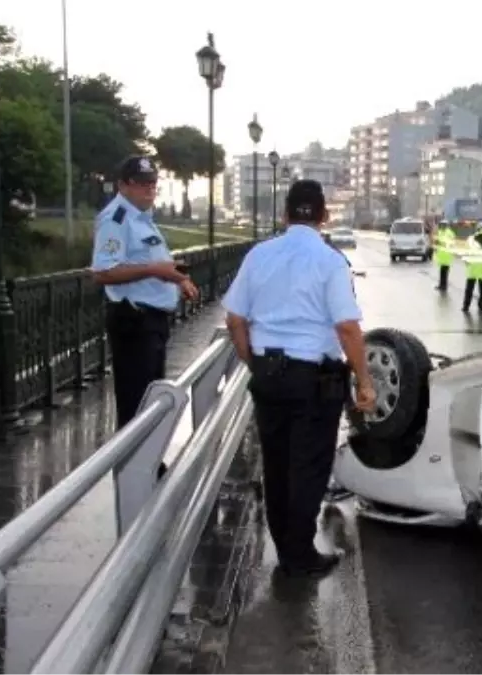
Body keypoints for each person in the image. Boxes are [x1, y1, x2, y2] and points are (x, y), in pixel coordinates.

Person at [222, 179, 377, 578]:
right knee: (307, 466)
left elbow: (235, 318)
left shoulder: (259, 255)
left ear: (285, 214)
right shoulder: (330, 262)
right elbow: (347, 329)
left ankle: (287, 547)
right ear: (324, 217)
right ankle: (298, 555)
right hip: (313, 379)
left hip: (269, 375)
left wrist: (252, 361)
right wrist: (364, 381)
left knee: (275, 463)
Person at [91, 156, 200, 432]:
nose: (149, 189)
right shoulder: (117, 219)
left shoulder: (143, 219)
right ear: (123, 185)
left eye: (153, 184)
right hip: (134, 320)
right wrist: (155, 270)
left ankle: (148, 466)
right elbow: (103, 272)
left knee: (151, 399)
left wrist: (177, 278)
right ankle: (132, 469)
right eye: (141, 184)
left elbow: (152, 262)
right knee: (136, 402)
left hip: (151, 321)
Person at [434, 222, 456, 291]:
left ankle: (444, 286)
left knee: (445, 272)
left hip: (447, 256)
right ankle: (441, 285)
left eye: (443, 225)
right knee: (441, 272)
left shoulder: (450, 233)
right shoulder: (440, 232)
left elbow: (452, 243)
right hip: (441, 256)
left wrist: (442, 243)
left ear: (446, 226)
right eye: (441, 225)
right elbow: (437, 241)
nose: (441, 226)